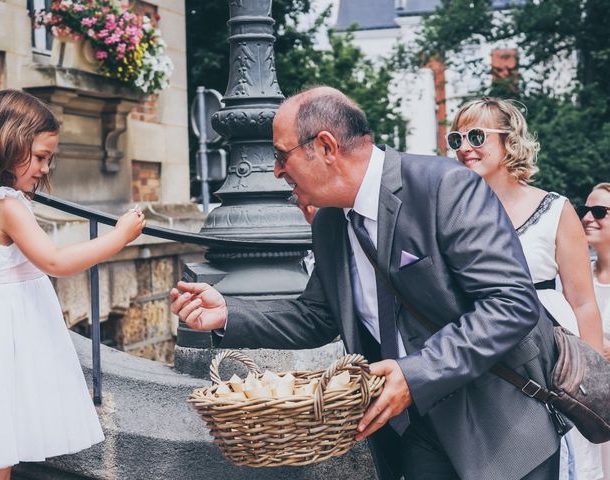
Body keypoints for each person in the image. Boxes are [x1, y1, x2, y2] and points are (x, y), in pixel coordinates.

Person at [171, 86, 562, 479]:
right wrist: (227, 314)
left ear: (326, 147)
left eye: (280, 155)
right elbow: (318, 315)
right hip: (416, 432)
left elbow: (511, 304)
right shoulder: (328, 222)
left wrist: (417, 374)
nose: (276, 170)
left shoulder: (445, 186)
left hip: (500, 426)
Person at [0, 90, 146, 480]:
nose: (45, 168)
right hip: (3, 336)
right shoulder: (7, 206)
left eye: (48, 158)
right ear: (7, 143)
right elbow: (55, 261)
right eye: (39, 157)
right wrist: (120, 236)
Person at [449, 97, 604, 480]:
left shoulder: (555, 209)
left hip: (551, 359)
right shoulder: (452, 213)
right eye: (456, 139)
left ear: (509, 142)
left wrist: (597, 380)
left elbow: (583, 301)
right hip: (486, 359)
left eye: (477, 136)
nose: (465, 147)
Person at [580, 182, 610, 479]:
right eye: (585, 210)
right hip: (589, 405)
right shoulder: (577, 276)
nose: (588, 217)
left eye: (600, 211)